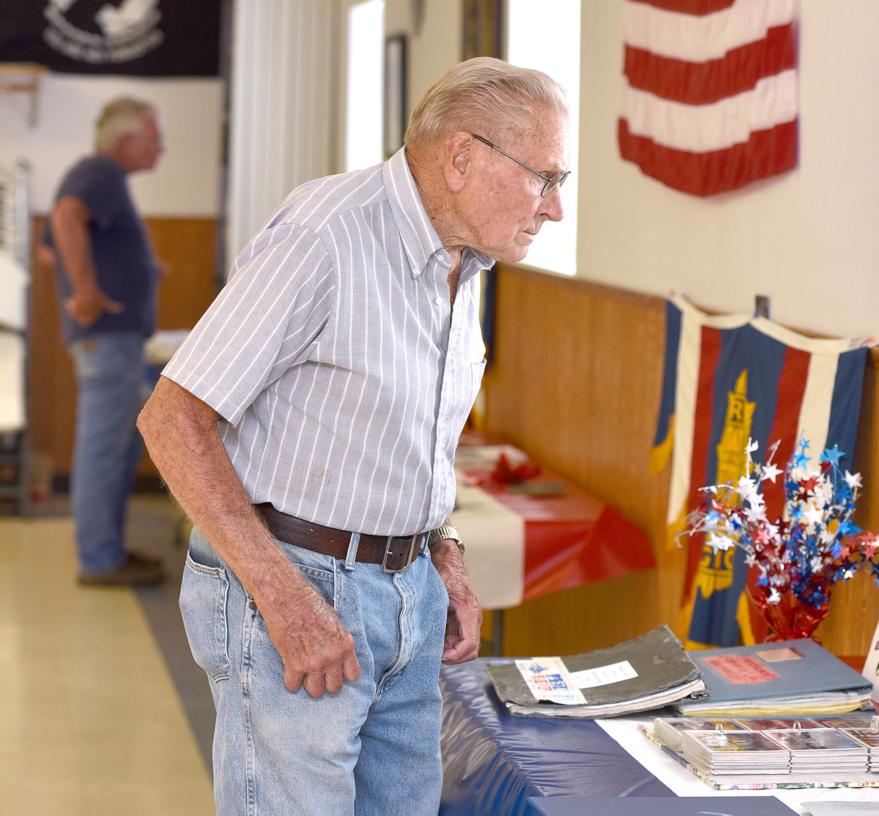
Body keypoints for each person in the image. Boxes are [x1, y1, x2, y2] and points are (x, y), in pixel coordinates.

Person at [137, 58, 569, 814]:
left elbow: (408, 434)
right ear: (463, 156)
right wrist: (283, 597)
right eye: (546, 178)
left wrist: (444, 553)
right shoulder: (325, 233)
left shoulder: (464, 258)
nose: (555, 208)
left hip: (408, 593)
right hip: (298, 584)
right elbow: (173, 417)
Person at [45, 97, 165, 586]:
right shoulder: (101, 172)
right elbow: (64, 223)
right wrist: (89, 293)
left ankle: (108, 553)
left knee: (114, 451)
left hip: (115, 340)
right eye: (154, 139)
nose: (161, 149)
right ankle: (98, 560)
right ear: (125, 140)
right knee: (102, 452)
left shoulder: (98, 177)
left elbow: (48, 250)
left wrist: (133, 271)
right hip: (107, 339)